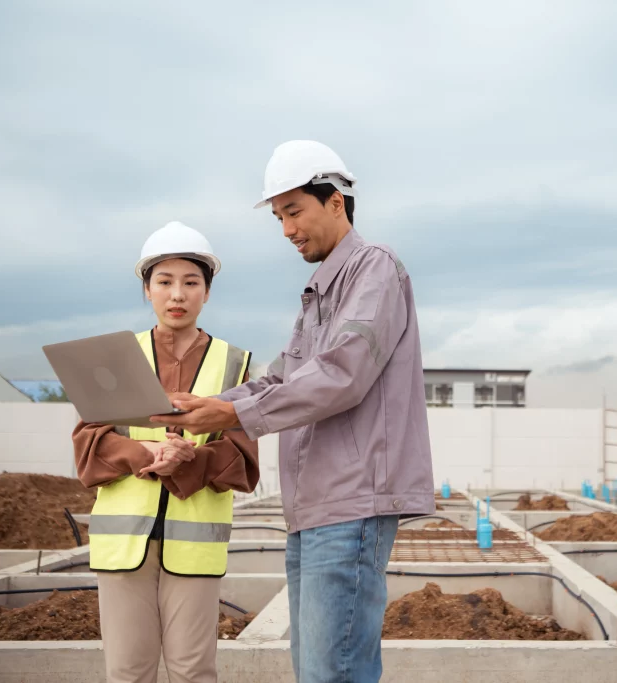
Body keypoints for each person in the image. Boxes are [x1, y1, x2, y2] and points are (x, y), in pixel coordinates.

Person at [151, 140, 434, 682]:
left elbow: (342, 374)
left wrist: (230, 418)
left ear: (336, 202)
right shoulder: (320, 291)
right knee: (316, 670)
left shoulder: (374, 269)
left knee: (334, 671)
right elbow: (280, 378)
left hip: (353, 500)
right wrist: (210, 406)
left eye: (294, 211)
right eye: (279, 216)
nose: (286, 229)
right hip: (316, 507)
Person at [72, 221, 260, 683]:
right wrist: (147, 453)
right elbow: (88, 445)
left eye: (191, 282)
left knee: (194, 670)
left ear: (207, 293)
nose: (178, 294)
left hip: (194, 549)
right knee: (128, 671)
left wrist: (189, 460)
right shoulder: (116, 357)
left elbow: (242, 460)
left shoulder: (237, 363)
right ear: (147, 290)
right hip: (123, 546)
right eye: (165, 282)